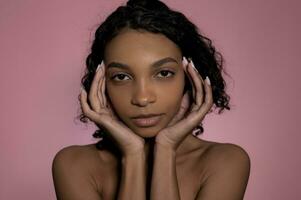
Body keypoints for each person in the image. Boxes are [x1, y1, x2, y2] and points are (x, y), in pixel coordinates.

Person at [52, 0, 251, 199]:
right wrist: (132, 155)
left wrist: (166, 149)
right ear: (101, 84)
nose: (142, 98)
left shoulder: (225, 162)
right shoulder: (74, 164)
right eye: (121, 77)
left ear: (191, 76)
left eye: (163, 73)